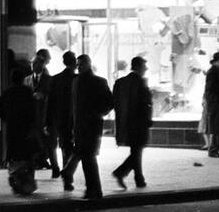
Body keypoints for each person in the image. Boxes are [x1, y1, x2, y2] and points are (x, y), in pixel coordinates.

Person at [60, 55, 113, 200]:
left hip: (91, 126)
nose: (79, 67)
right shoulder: (76, 82)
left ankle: (92, 188)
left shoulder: (97, 81)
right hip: (81, 126)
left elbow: (109, 102)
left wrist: (96, 114)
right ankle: (93, 189)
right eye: (78, 64)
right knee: (87, 157)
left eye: (82, 64)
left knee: (88, 157)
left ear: (89, 64)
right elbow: (73, 106)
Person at [111, 56, 152, 189]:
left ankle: (138, 178)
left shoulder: (121, 82)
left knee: (136, 151)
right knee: (137, 150)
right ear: (139, 67)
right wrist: (148, 120)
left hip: (126, 123)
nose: (146, 69)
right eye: (144, 66)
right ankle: (123, 173)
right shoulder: (140, 82)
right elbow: (146, 104)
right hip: (139, 123)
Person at [0, 67, 37, 187]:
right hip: (26, 128)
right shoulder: (27, 92)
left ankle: (16, 181)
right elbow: (33, 111)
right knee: (27, 155)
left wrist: (7, 119)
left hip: (12, 129)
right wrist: (32, 125)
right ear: (23, 78)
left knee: (14, 155)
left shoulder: (7, 92)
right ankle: (28, 182)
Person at [24, 52, 59, 177]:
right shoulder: (27, 80)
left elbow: (53, 99)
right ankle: (31, 171)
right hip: (33, 118)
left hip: (45, 117)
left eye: (36, 63)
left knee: (50, 145)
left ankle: (55, 168)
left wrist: (43, 96)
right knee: (33, 146)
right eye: (32, 63)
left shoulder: (49, 80)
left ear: (42, 65)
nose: (33, 65)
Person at [49, 51, 77, 175]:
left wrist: (49, 119)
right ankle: (67, 171)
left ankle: (66, 169)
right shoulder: (77, 79)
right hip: (76, 117)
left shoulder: (56, 79)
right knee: (74, 146)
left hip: (61, 117)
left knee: (65, 145)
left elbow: (51, 101)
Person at [199, 52, 219, 158]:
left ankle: (214, 149)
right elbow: (213, 88)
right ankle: (213, 150)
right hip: (215, 103)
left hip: (215, 102)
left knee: (215, 126)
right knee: (214, 126)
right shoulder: (214, 72)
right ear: (218, 61)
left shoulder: (216, 71)